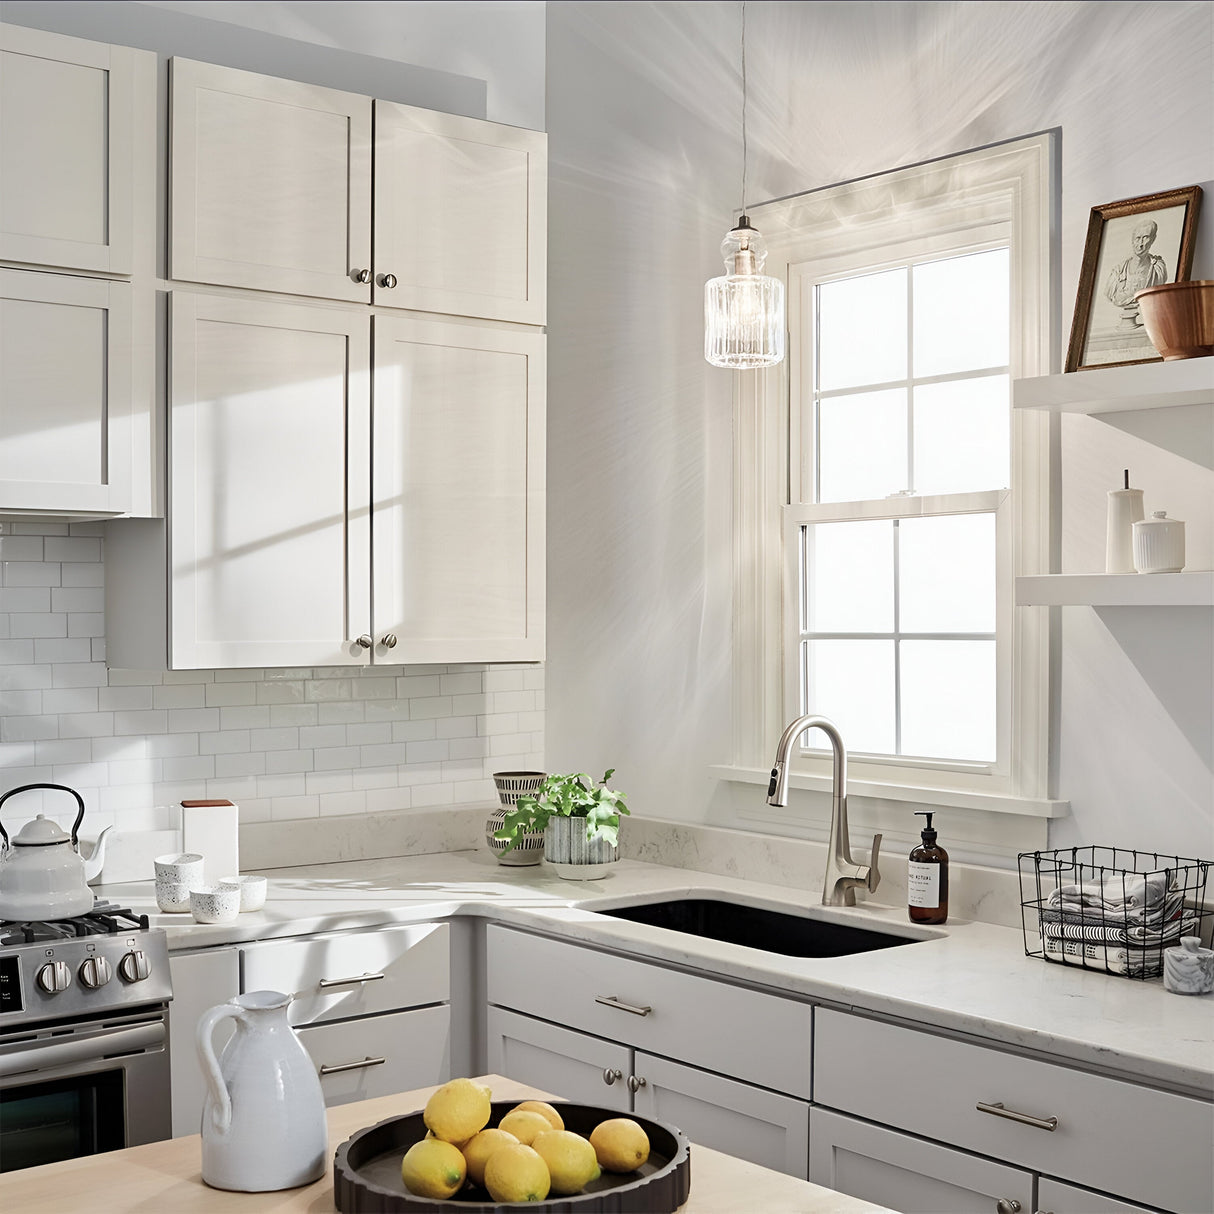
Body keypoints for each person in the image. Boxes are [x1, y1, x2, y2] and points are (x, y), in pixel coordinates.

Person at [1103, 217, 1168, 325]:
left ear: (1153, 239)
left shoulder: (1158, 269)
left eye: (1145, 237)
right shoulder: (1118, 271)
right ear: (1132, 240)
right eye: (1138, 238)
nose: (1141, 244)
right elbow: (1109, 294)